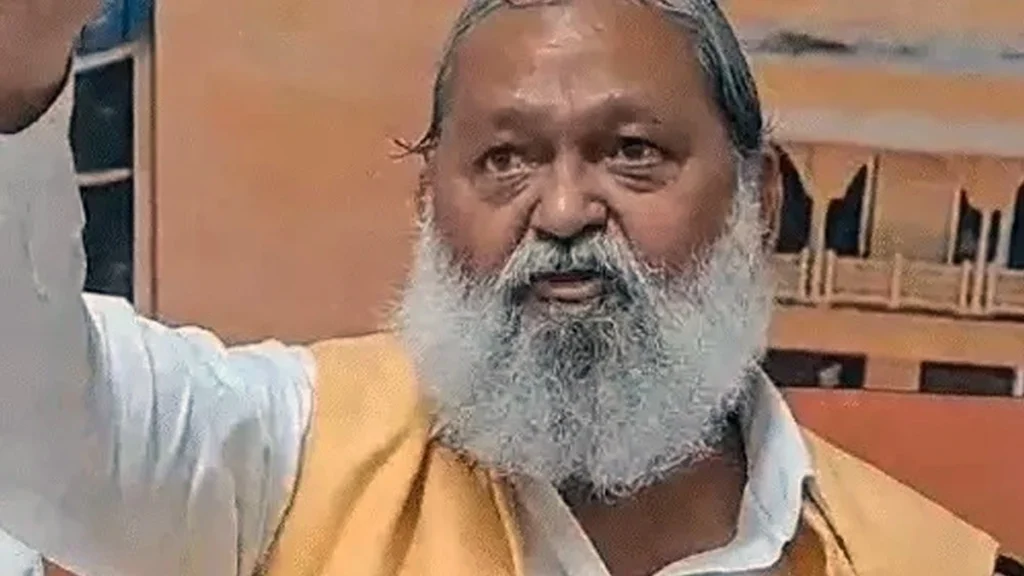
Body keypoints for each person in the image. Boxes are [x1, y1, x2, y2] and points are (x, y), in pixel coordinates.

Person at [0, 0, 1020, 574]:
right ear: (428, 204)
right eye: (504, 160)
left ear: (759, 198)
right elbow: (39, 425)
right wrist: (15, 59)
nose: (563, 211)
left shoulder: (932, 563)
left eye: (632, 152)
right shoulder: (290, 458)